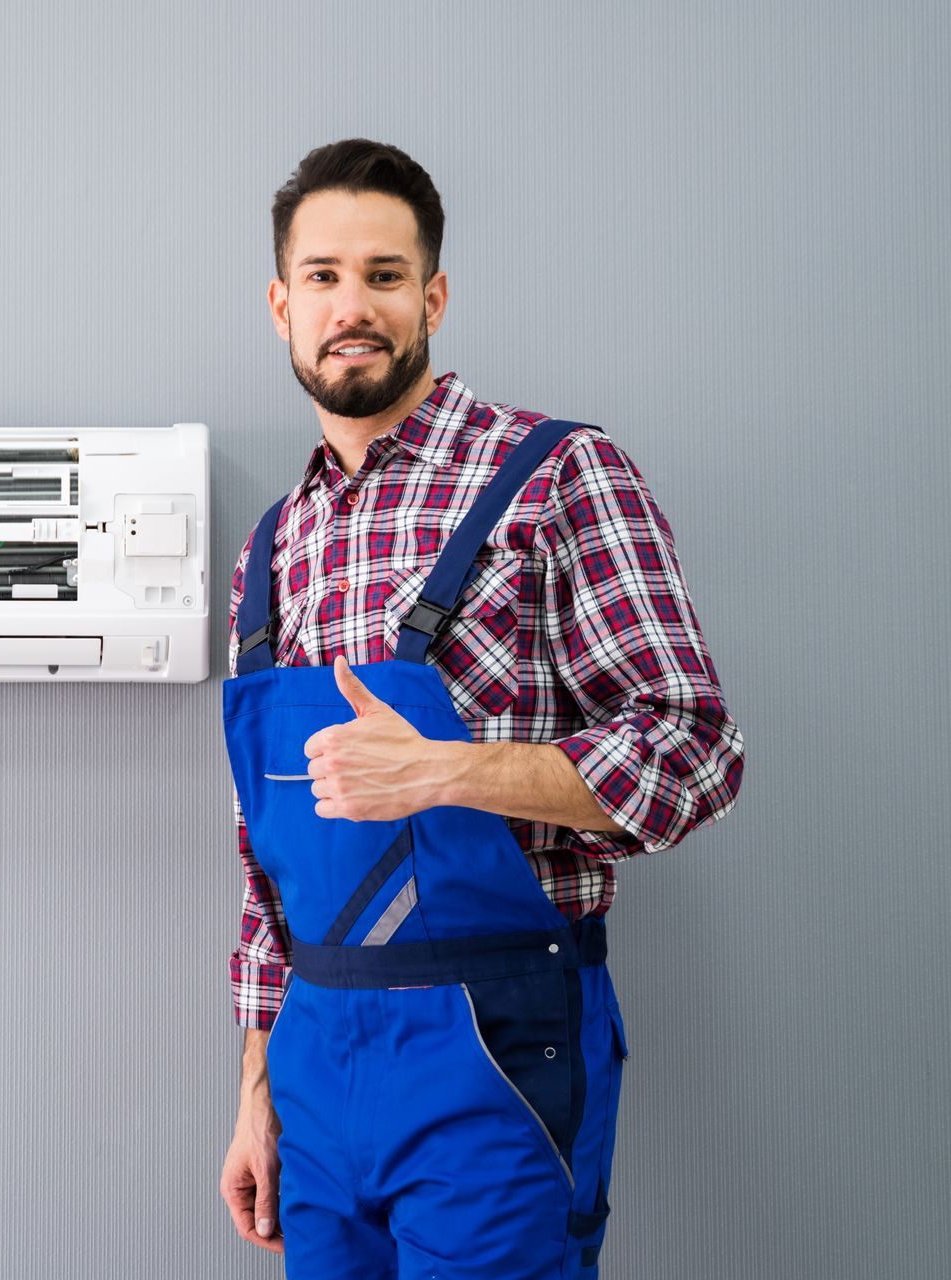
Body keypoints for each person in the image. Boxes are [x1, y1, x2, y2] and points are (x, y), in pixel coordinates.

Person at [215, 138, 746, 1279]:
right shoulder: (273, 544)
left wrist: (449, 769)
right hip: (313, 1060)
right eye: (322, 276)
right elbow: (264, 863)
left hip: (494, 1045)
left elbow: (693, 750)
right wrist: (256, 1091)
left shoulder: (556, 476)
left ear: (433, 296)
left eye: (384, 274)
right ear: (280, 303)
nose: (351, 305)